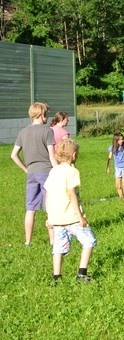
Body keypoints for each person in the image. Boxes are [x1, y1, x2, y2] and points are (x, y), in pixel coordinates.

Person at [45, 139, 96, 284]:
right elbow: (72, 194)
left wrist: (49, 216)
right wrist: (80, 217)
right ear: (73, 155)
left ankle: (57, 277)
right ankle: (81, 274)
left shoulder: (53, 171)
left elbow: (47, 194)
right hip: (72, 217)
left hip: (56, 218)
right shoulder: (72, 171)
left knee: (58, 246)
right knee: (89, 240)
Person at [10, 102, 58, 247]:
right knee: (50, 208)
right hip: (46, 172)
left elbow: (13, 155)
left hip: (31, 173)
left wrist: (26, 169)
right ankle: (53, 241)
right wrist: (59, 172)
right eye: (46, 114)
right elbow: (52, 156)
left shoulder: (23, 132)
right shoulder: (47, 131)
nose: (47, 117)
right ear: (41, 115)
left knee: (30, 209)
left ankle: (27, 242)